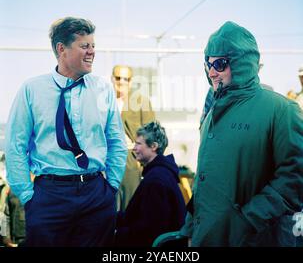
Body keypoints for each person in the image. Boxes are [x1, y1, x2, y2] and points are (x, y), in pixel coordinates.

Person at [5, 17, 128, 247]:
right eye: (84, 46)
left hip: (96, 196)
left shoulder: (103, 89)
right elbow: (15, 147)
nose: (92, 52)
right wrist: (28, 198)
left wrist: (110, 188)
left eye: (93, 46)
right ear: (62, 49)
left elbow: (116, 142)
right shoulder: (31, 90)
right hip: (49, 197)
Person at [180, 21, 303, 247]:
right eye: (208, 63)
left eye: (220, 63)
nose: (212, 71)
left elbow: (294, 178)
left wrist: (247, 220)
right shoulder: (211, 116)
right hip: (205, 238)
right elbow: (203, 180)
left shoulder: (280, 110)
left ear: (241, 63)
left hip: (253, 239)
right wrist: (190, 228)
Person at [115, 121, 186, 247]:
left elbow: (150, 230)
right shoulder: (160, 173)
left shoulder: (156, 180)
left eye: (138, 144)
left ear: (153, 146)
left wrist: (117, 234)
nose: (134, 148)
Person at [111, 65, 155, 211]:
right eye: (118, 78)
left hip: (131, 160)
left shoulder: (141, 101)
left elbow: (151, 132)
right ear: (112, 79)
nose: (121, 82)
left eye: (126, 79)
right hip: (108, 160)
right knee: (109, 206)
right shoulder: (105, 102)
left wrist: (142, 160)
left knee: (130, 205)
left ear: (130, 82)